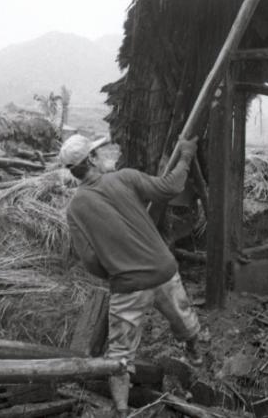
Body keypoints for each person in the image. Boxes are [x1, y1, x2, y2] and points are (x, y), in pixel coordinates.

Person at [61, 134, 203, 418]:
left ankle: (123, 411)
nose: (102, 155)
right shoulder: (124, 177)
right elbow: (170, 187)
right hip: (163, 271)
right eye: (97, 152)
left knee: (120, 356)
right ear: (91, 160)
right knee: (183, 316)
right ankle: (195, 353)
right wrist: (186, 155)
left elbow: (89, 259)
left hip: (128, 286)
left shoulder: (75, 208)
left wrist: (117, 271)